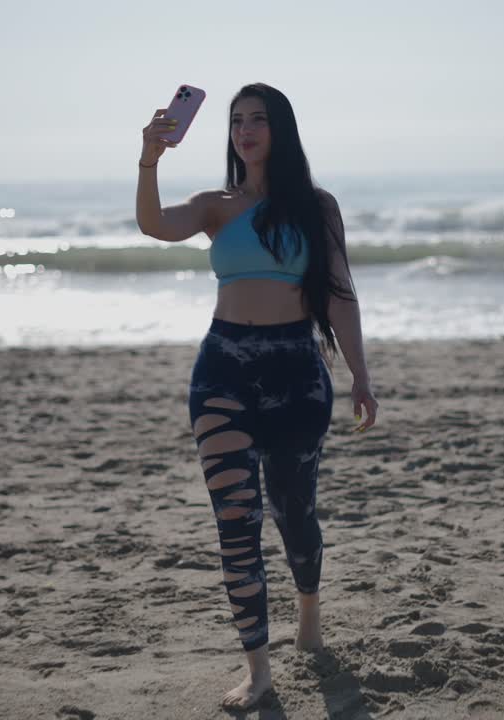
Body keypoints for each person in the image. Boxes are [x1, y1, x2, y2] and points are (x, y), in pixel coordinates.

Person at [135, 82, 378, 710]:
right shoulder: (214, 205)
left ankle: (310, 613)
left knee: (294, 512)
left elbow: (341, 295)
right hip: (222, 372)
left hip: (296, 372)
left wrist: (360, 374)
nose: (245, 130)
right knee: (235, 526)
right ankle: (259, 672)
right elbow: (155, 225)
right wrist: (149, 160)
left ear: (281, 130)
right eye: (237, 120)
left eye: (258, 120)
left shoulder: (316, 207)